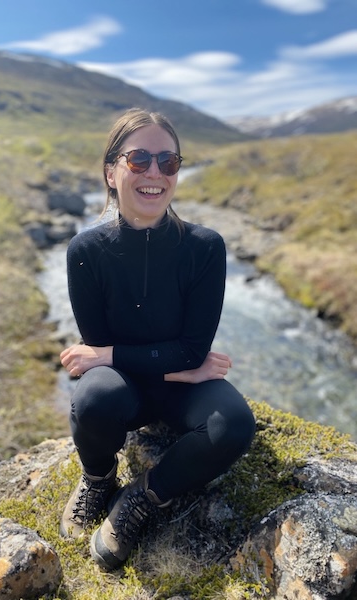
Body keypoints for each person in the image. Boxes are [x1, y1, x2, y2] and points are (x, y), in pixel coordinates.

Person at [59, 107, 256, 571]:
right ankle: (98, 477)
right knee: (95, 398)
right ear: (112, 172)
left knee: (233, 425)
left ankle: (144, 497)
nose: (155, 173)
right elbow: (103, 368)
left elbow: (105, 352)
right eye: (139, 159)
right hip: (130, 388)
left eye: (168, 162)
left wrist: (113, 355)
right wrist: (186, 363)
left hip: (181, 391)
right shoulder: (85, 252)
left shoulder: (205, 248)